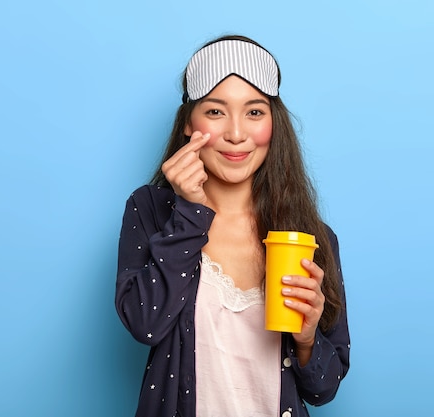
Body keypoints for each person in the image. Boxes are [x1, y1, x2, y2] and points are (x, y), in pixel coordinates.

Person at [115, 34, 350, 417]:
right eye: (215, 111)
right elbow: (145, 324)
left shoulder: (313, 236)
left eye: (254, 112)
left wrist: (307, 340)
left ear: (274, 126)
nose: (236, 133)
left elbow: (324, 390)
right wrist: (191, 211)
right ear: (189, 124)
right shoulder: (151, 210)